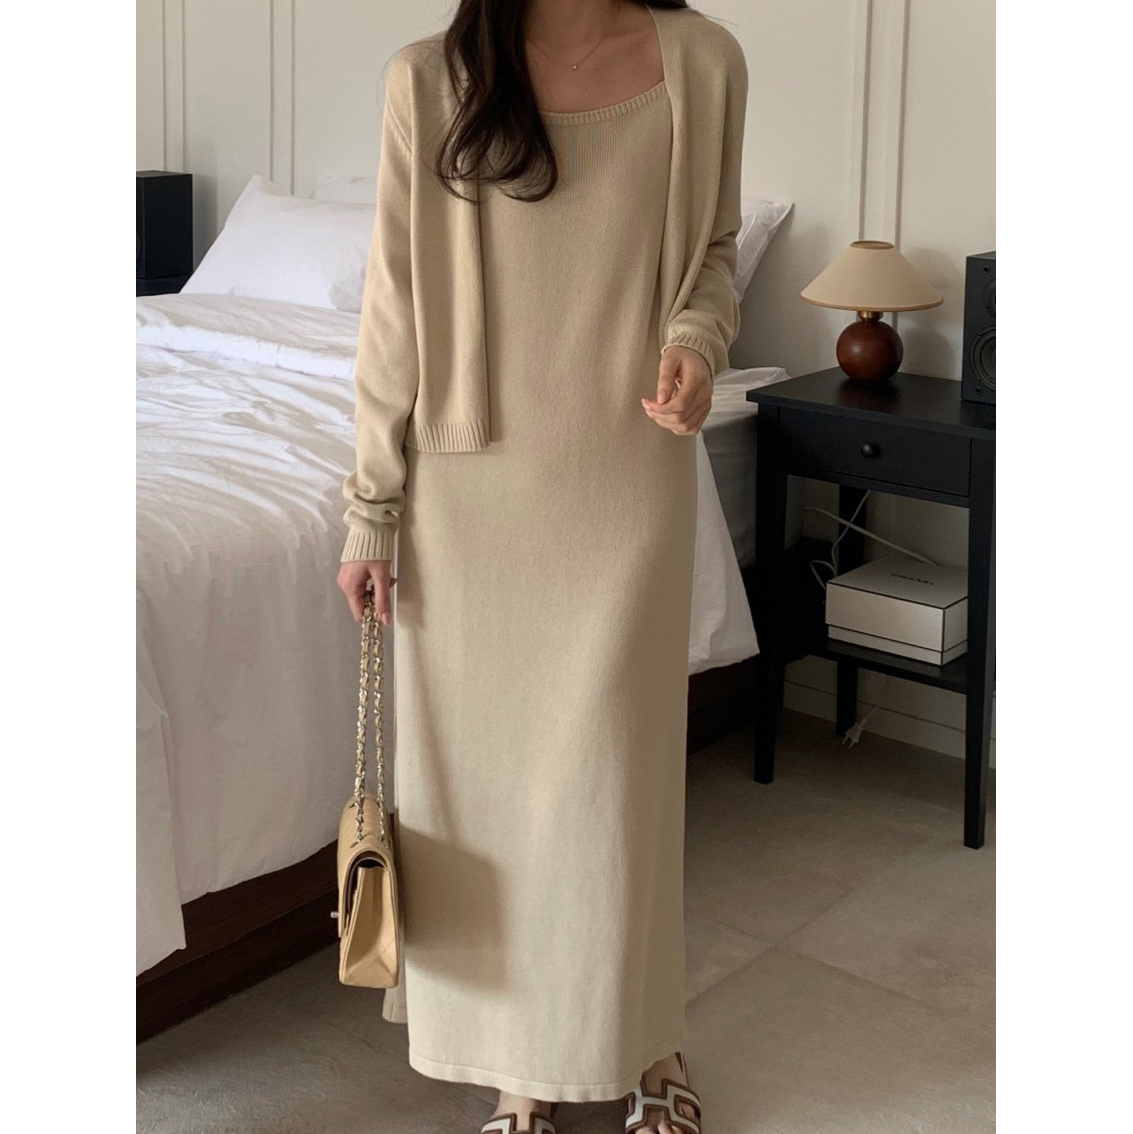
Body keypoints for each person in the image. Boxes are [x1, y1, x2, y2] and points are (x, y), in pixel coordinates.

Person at [336, 2, 747, 1131]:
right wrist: (370, 507)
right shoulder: (431, 76)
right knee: (491, 804)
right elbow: (392, 301)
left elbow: (712, 252)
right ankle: (523, 1068)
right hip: (467, 499)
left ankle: (645, 1037)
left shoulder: (702, 61)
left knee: (612, 792)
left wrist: (696, 342)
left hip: (625, 484)